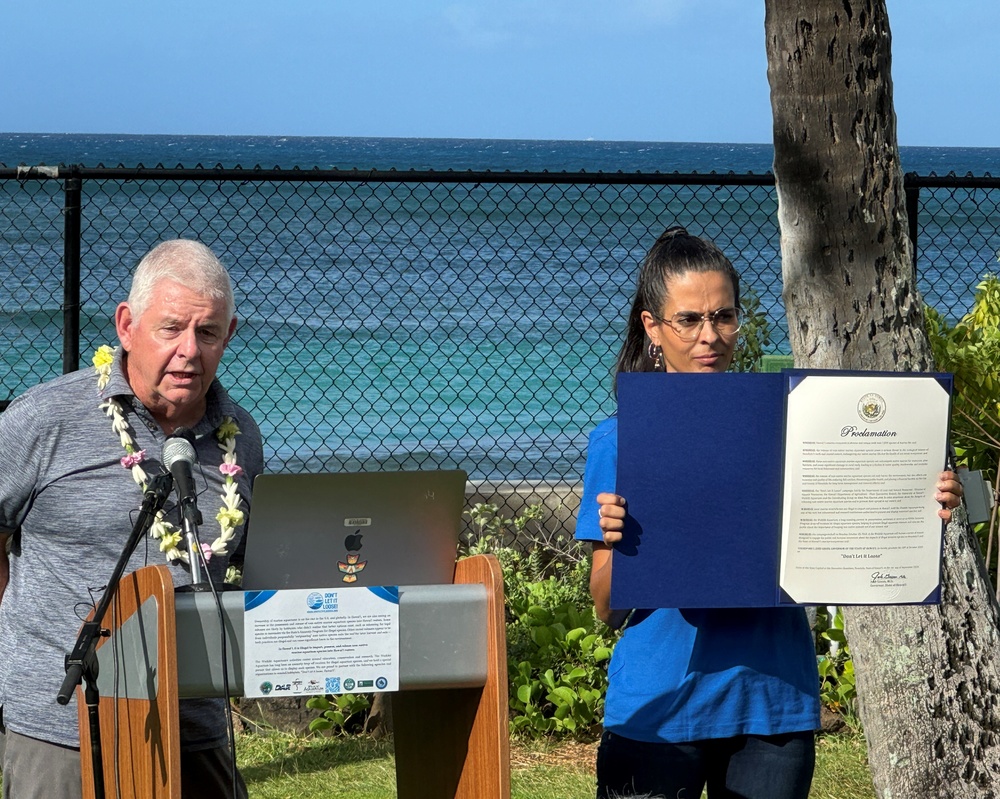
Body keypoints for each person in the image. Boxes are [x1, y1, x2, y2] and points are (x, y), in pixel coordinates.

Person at [576, 225, 964, 799]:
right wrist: (619, 546)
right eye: (689, 319)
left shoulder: (798, 427)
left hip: (773, 703)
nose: (710, 336)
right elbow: (606, 606)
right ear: (652, 327)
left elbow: (858, 504)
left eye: (724, 316)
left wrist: (917, 495)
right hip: (659, 706)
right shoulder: (620, 440)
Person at [0, 239, 263, 799]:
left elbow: (250, 561)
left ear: (229, 335)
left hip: (192, 721)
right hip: (62, 724)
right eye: (171, 328)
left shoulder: (239, 438)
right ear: (126, 325)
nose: (190, 350)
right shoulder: (46, 419)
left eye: (208, 332)